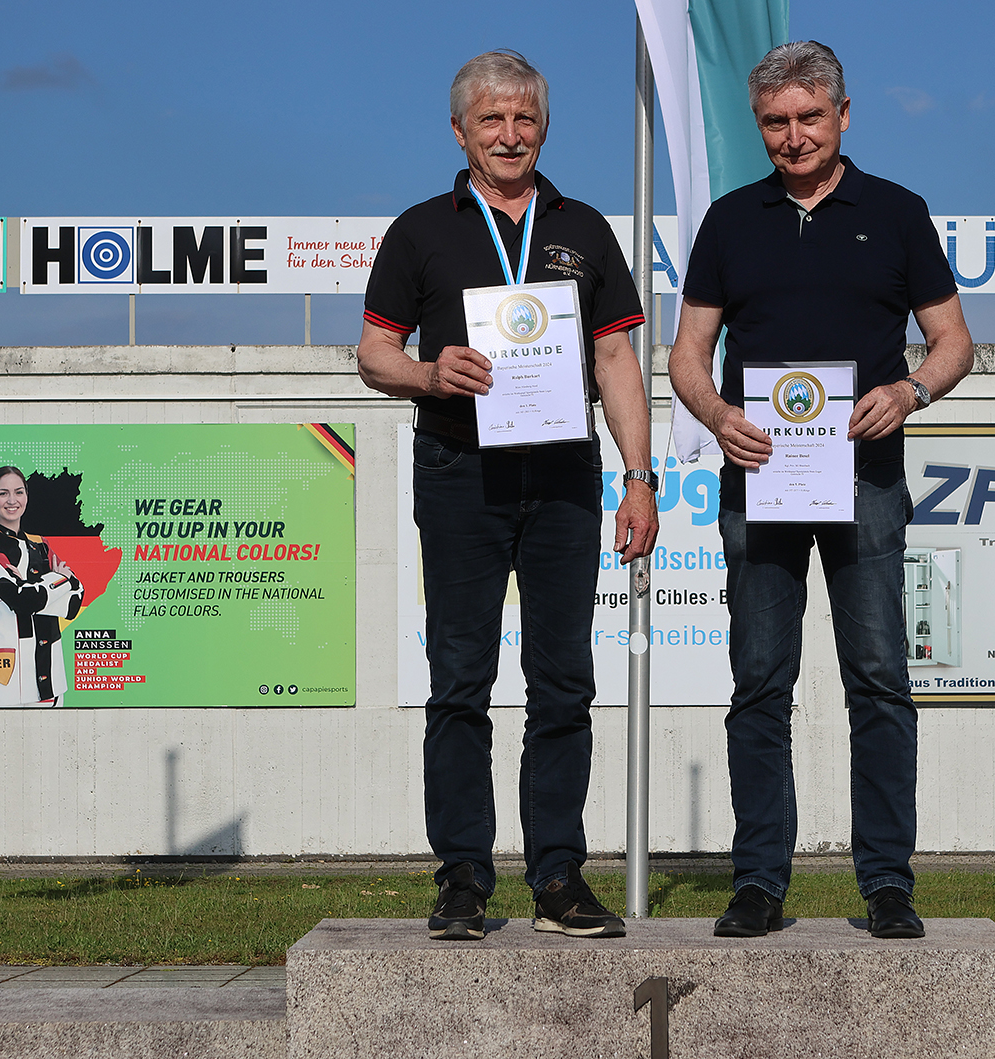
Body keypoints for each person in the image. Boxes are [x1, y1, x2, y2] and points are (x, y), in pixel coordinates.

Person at [668, 41, 974, 939]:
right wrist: (716, 413)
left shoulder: (899, 212)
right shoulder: (730, 220)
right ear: (758, 125)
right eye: (775, 122)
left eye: (809, 117)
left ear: (843, 114)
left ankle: (887, 883)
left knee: (878, 680)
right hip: (758, 481)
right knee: (760, 683)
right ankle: (759, 881)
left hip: (866, 479)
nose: (794, 136)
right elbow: (687, 355)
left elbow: (955, 342)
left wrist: (910, 392)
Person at [357, 50, 658, 941]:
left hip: (563, 476)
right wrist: (428, 372)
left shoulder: (583, 228)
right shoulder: (421, 230)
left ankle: (558, 875)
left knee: (564, 682)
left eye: (525, 117)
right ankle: (461, 876)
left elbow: (615, 360)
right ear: (460, 131)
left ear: (545, 127)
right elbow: (373, 353)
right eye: (491, 118)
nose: (509, 134)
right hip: (461, 472)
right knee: (460, 680)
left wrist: (639, 477)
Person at [0, 466, 84, 708]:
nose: (12, 500)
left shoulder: (41, 545)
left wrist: (30, 586)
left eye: (19, 492)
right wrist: (56, 580)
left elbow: (75, 600)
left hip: (51, 683)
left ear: (27, 497)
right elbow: (22, 601)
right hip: (2, 680)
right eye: (3, 493)